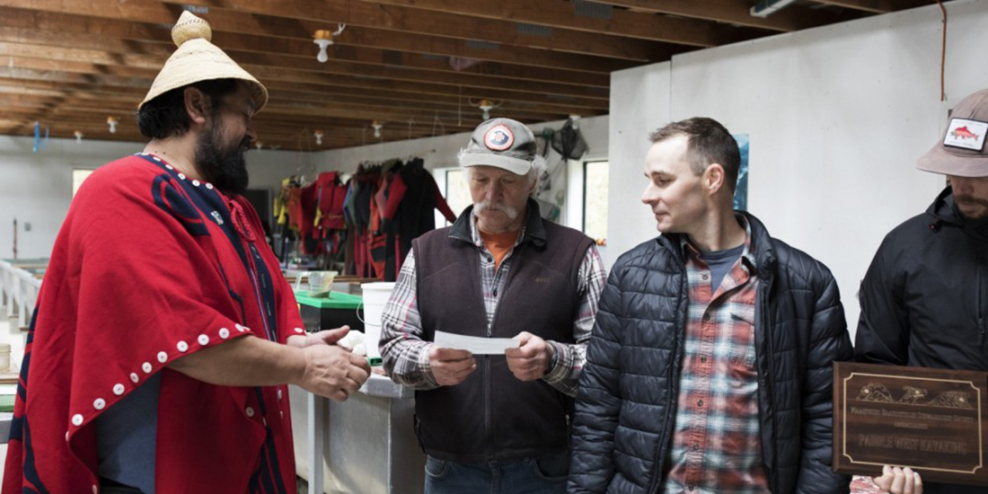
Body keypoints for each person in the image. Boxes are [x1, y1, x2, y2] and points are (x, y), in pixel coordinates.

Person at [2, 12, 369, 494]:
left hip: (231, 461)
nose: (253, 135)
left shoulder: (230, 207)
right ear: (197, 105)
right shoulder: (121, 192)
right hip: (162, 473)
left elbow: (252, 312)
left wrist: (297, 344)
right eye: (244, 115)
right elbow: (183, 335)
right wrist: (301, 367)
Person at [568, 117, 854, 494]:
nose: (646, 194)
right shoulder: (631, 275)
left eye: (663, 180)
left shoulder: (805, 284)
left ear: (713, 179)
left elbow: (828, 418)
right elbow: (599, 404)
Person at [378, 118, 606, 493]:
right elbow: (391, 346)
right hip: (451, 466)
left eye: (508, 181)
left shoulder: (576, 254)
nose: (491, 193)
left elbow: (605, 365)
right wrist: (428, 362)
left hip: (543, 467)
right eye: (481, 179)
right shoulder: (426, 252)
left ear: (534, 181)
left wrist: (552, 360)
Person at [854, 88, 988, 494]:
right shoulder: (904, 246)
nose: (962, 187)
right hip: (935, 474)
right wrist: (880, 466)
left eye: (980, 174)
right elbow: (876, 365)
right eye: (954, 171)